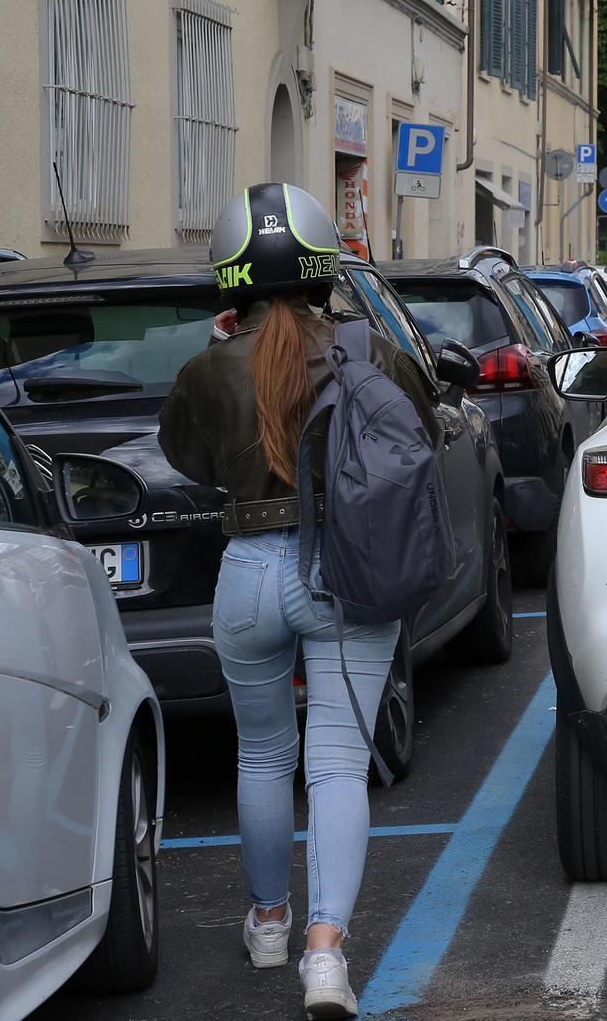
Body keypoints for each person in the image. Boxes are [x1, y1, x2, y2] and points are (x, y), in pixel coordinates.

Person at [158, 183, 439, 1019]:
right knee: (338, 765)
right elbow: (417, 434)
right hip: (347, 572)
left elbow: (185, 456)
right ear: (323, 267)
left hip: (247, 571)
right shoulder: (364, 350)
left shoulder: (209, 366)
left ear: (230, 280)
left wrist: (223, 355)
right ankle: (325, 958)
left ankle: (270, 922)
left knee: (261, 758)